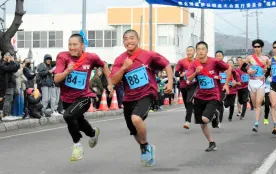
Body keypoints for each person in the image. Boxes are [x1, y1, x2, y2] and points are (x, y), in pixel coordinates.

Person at [110, 29, 173, 167]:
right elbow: (113, 80)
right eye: (125, 39)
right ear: (123, 42)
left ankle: (144, 147)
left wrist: (170, 82)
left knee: (136, 118)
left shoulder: (148, 55)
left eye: (131, 38)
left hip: (147, 93)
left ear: (137, 40)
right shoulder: (120, 60)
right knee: (133, 130)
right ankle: (147, 146)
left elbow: (167, 64)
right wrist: (124, 68)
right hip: (129, 97)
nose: (129, 41)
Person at [54, 33, 114, 161]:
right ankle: (93, 133)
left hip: (84, 97)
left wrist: (110, 84)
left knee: (68, 116)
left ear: (82, 46)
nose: (72, 47)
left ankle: (77, 145)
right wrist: (67, 71)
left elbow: (104, 65)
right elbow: (56, 78)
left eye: (75, 44)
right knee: (79, 122)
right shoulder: (62, 57)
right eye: (70, 44)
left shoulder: (91, 58)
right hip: (67, 98)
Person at [187, 41, 232, 152]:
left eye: (203, 49)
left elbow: (229, 68)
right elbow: (189, 79)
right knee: (202, 124)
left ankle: (215, 114)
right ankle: (211, 142)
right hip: (200, 96)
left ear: (207, 51)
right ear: (196, 51)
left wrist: (226, 84)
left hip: (213, 94)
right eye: (199, 49)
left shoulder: (215, 61)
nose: (201, 51)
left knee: (205, 118)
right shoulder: (194, 64)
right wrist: (196, 73)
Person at [241, 39, 269, 132]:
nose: (257, 48)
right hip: (252, 82)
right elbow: (242, 67)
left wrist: (265, 75)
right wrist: (248, 71)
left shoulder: (265, 58)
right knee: (254, 104)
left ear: (261, 48)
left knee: (258, 103)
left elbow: (269, 69)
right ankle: (259, 111)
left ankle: (256, 123)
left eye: (258, 47)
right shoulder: (250, 58)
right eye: (255, 47)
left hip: (260, 82)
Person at [175, 46, 196, 129]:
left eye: (191, 50)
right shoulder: (181, 62)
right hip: (183, 85)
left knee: (189, 101)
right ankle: (195, 111)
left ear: (194, 52)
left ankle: (187, 121)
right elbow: (176, 73)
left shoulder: (197, 62)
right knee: (187, 105)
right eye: (188, 51)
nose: (189, 52)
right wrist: (181, 75)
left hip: (193, 84)